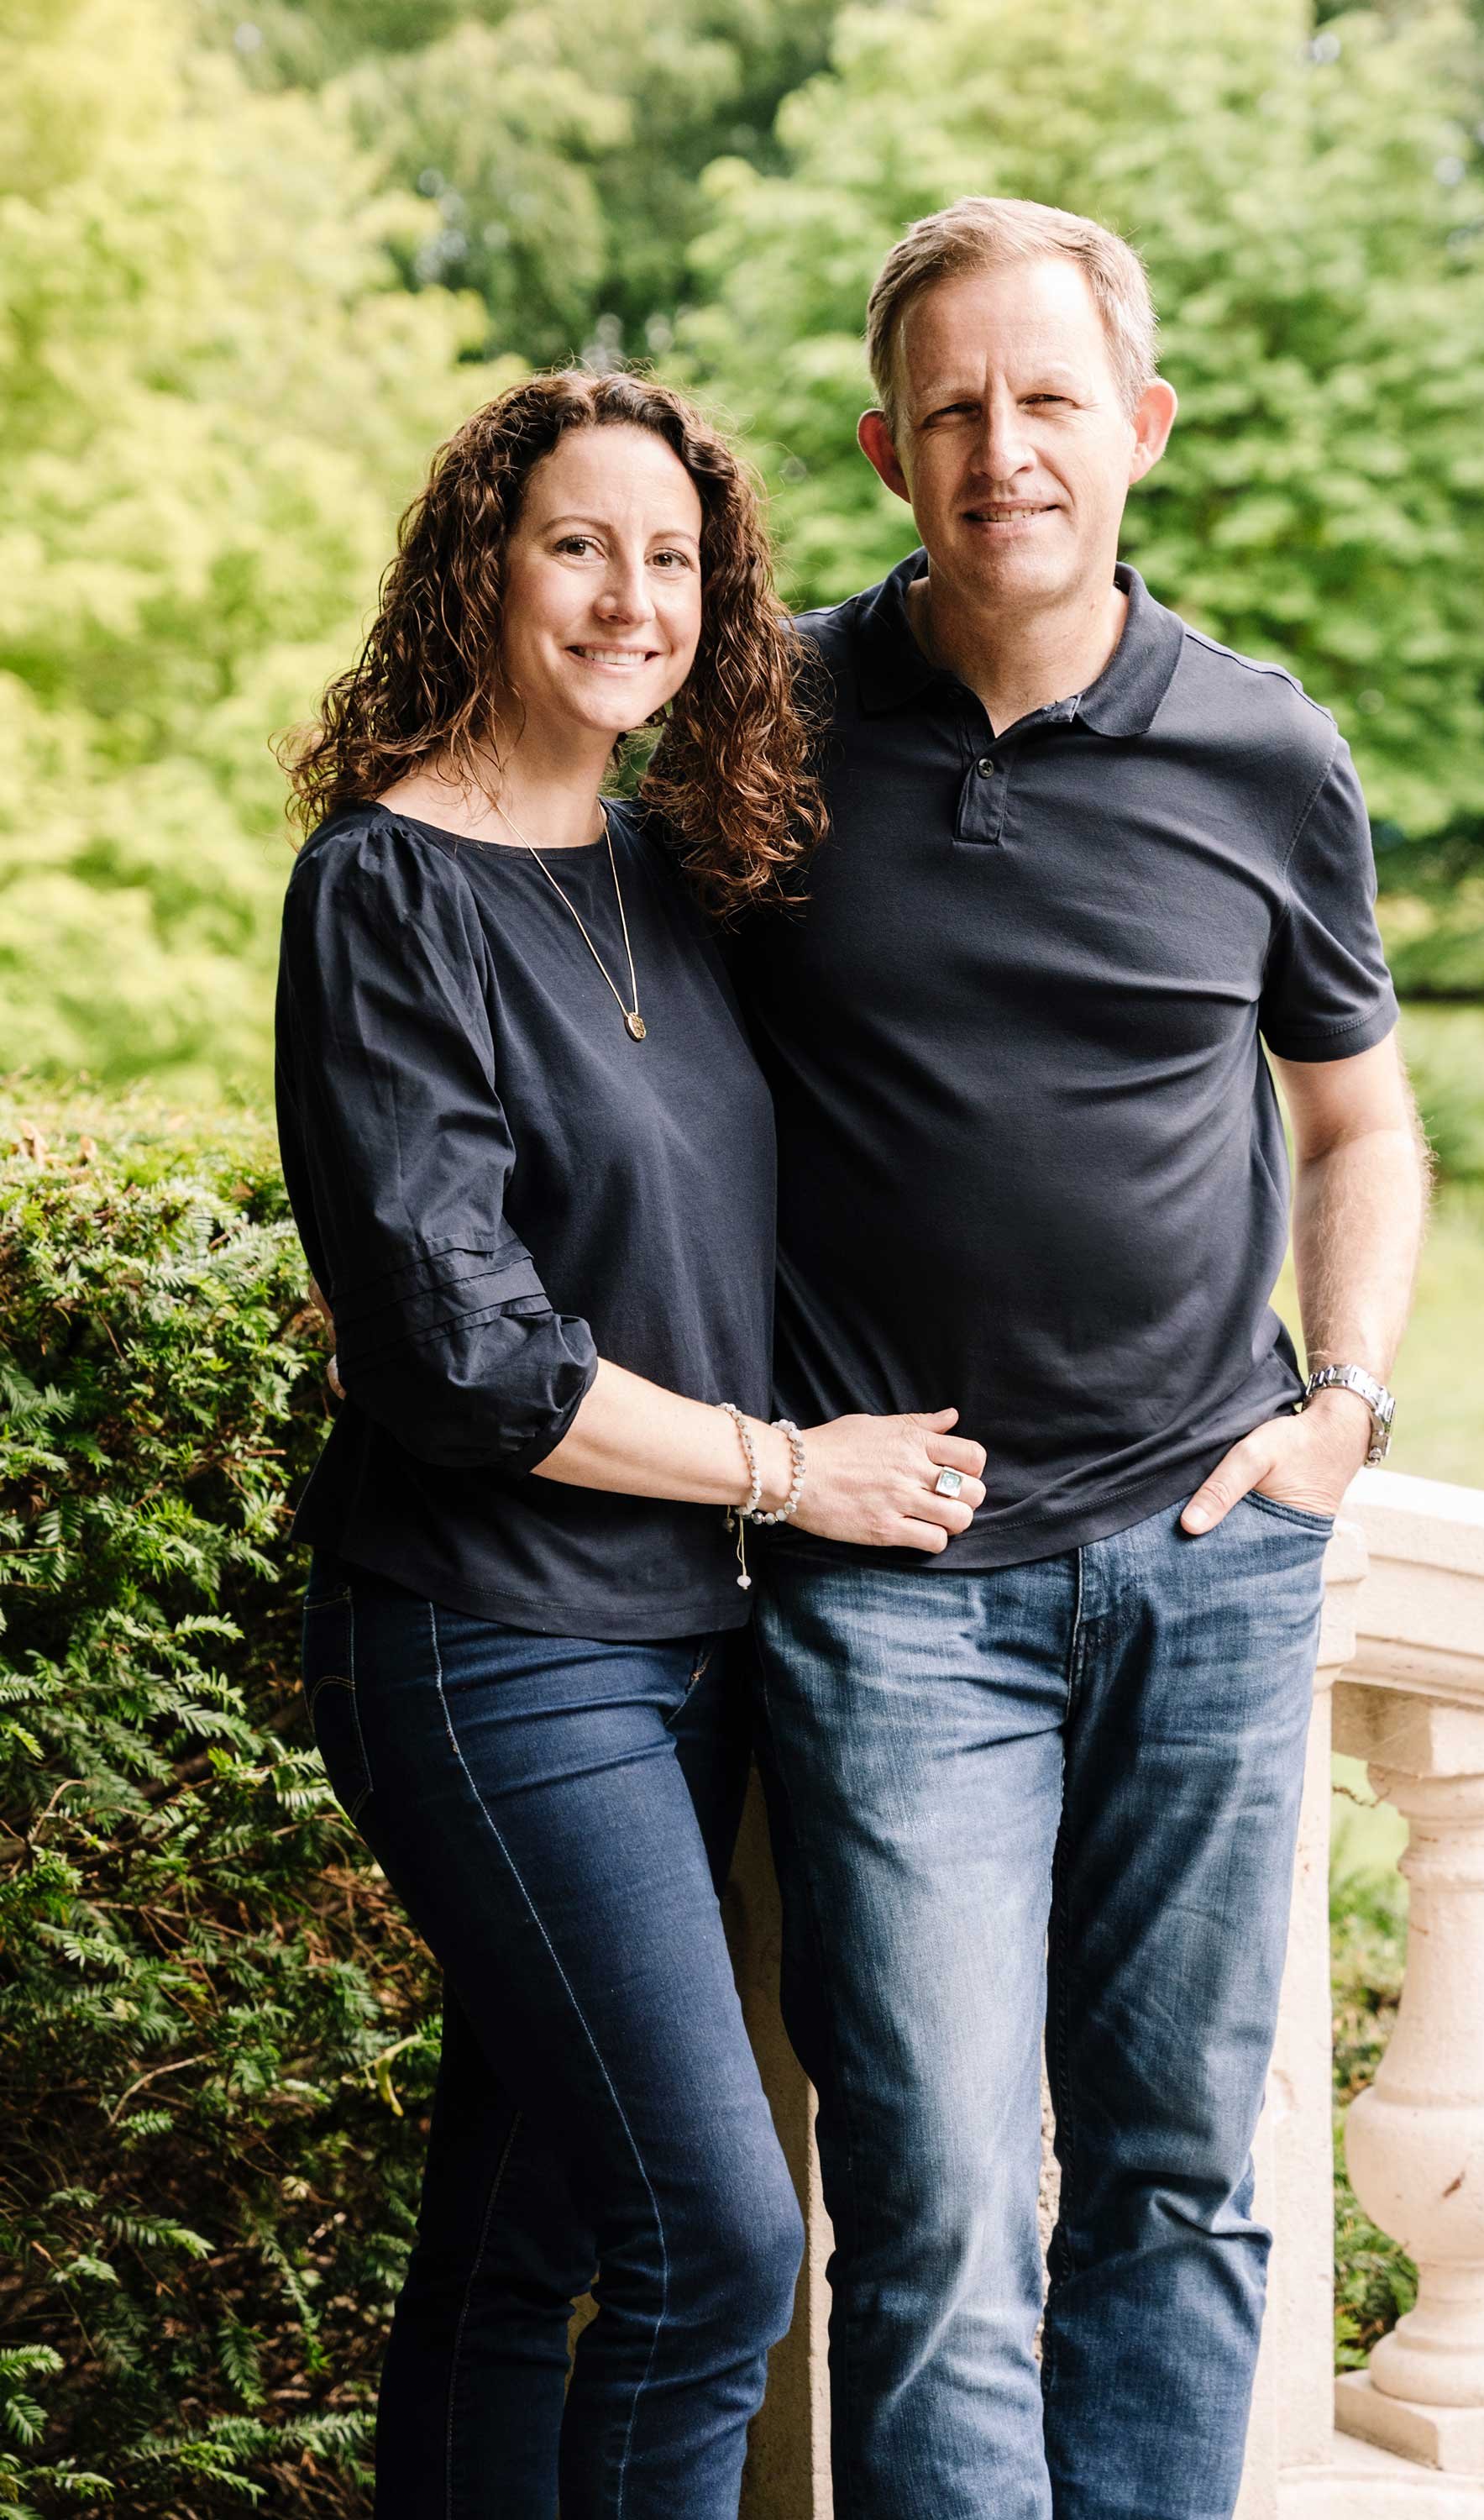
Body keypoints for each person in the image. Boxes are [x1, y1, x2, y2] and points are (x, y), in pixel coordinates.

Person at [727, 197, 1431, 2520]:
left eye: (1048, 402)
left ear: (1138, 428)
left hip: (1208, 1561)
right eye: (952, 409)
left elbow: (1360, 1121)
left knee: (1182, 2181)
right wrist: (753, 1452)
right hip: (897, 1595)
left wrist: (1343, 1409)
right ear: (883, 447)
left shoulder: (1263, 749)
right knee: (933, 2214)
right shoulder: (766, 737)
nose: (1001, 449)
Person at [270, 367, 988, 2520]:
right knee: (718, 2238)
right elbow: (465, 1353)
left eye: (670, 558)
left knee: (525, 2239)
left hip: (687, 1651)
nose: (628, 596)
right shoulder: (382, 890)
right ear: (481, 567)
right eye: (578, 543)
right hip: (491, 1650)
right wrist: (795, 1471)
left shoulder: (672, 873)